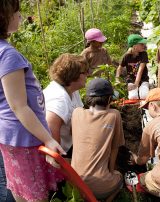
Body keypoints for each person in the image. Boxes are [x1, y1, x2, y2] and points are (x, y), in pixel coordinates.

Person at [0, 1, 65, 201]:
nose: (20, 15)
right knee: (34, 194)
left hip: (12, 135)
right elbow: (18, 106)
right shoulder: (8, 55)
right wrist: (48, 139)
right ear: (3, 17)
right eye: (16, 12)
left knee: (22, 188)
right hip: (24, 136)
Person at [71, 78, 125, 201]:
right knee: (119, 176)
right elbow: (115, 148)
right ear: (109, 99)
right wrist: (111, 172)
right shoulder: (114, 115)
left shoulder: (76, 112)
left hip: (75, 184)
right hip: (100, 188)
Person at [44, 53, 89, 157]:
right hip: (62, 150)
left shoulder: (73, 90)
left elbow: (78, 117)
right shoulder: (59, 98)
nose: (88, 74)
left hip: (71, 144)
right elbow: (50, 127)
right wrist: (59, 158)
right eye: (85, 72)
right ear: (73, 75)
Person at [116, 34, 149, 100]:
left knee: (144, 96)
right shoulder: (126, 56)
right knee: (133, 97)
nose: (144, 46)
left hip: (143, 79)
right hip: (131, 80)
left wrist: (136, 84)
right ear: (135, 46)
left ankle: (147, 86)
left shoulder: (144, 54)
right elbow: (119, 68)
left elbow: (140, 70)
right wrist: (117, 80)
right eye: (141, 44)